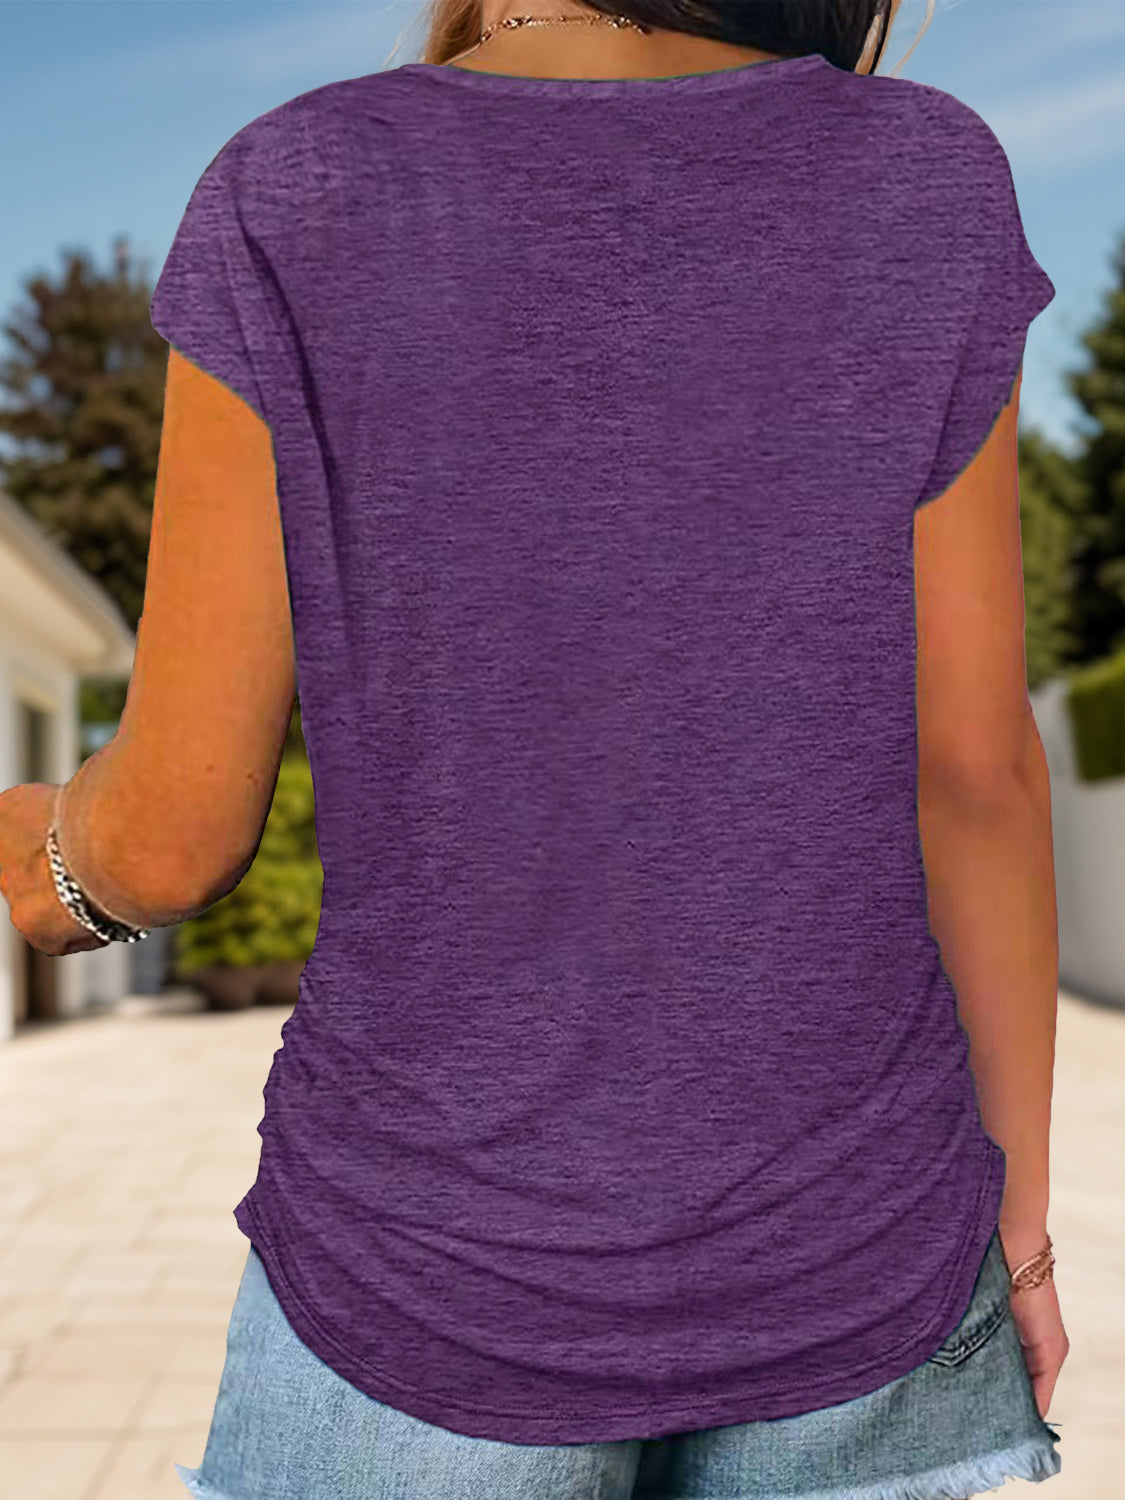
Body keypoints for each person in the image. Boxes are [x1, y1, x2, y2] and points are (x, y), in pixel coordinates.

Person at [0, 0, 1070, 1495]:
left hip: (424, 1279)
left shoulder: (297, 184)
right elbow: (976, 773)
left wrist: (43, 859)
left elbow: (172, 837)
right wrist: (1015, 1230)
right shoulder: (923, 173)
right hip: (868, 1269)